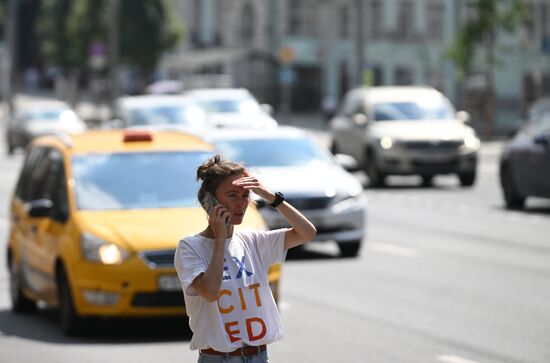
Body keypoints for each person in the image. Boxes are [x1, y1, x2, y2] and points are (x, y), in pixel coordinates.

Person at [174, 155, 316, 362]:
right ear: (209, 200)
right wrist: (220, 239)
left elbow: (307, 233)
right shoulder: (190, 247)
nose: (241, 204)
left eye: (245, 195)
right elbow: (210, 291)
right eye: (232, 195)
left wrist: (270, 196)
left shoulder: (252, 240)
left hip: (258, 356)